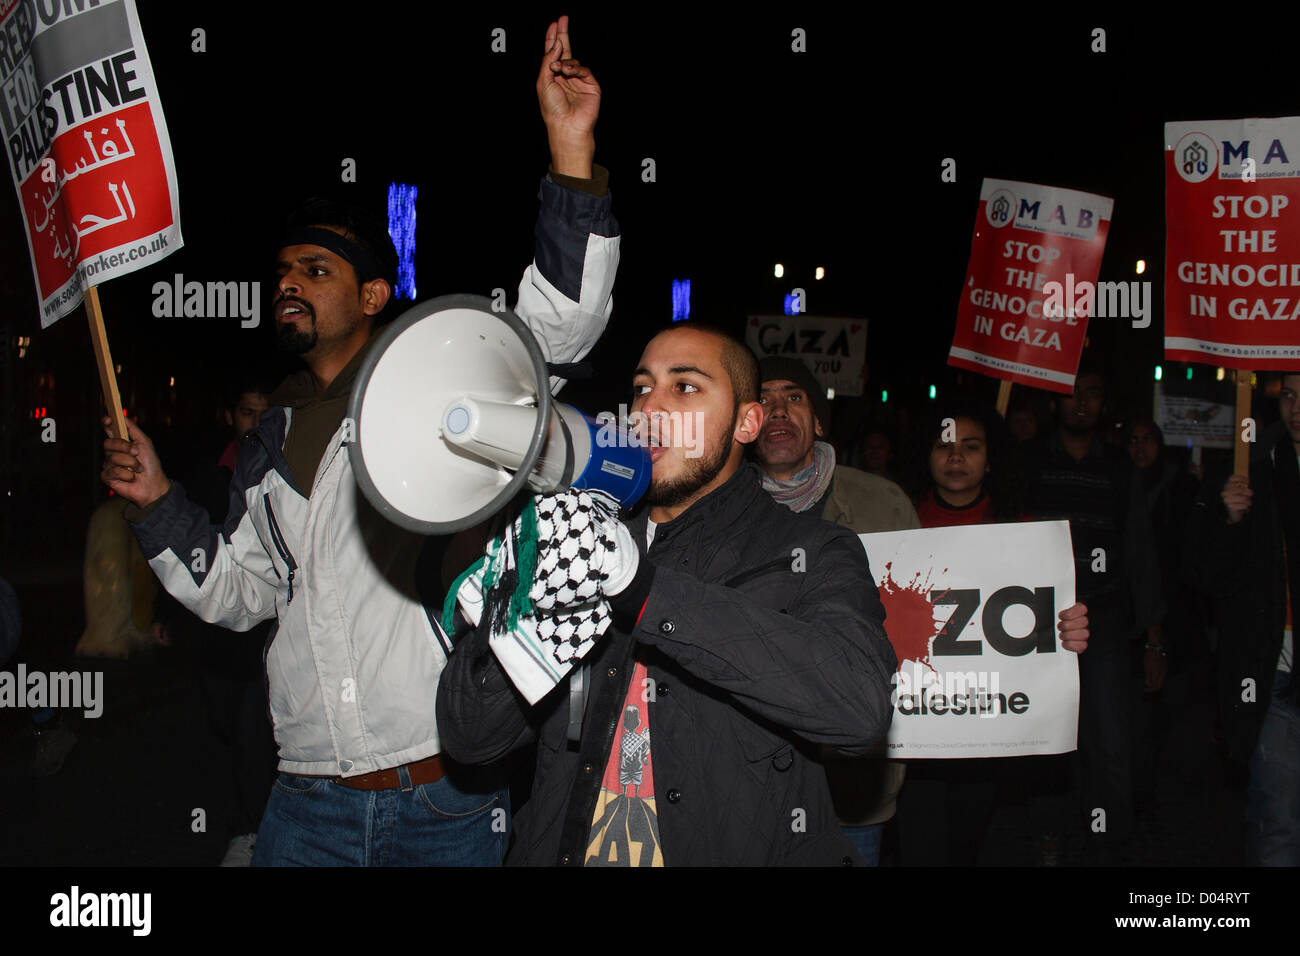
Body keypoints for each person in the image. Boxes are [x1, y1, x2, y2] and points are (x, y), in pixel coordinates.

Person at [100, 16, 619, 867]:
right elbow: (242, 595)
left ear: (374, 292)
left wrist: (569, 150)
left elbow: (556, 328)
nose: (287, 285)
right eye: (279, 273)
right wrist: (159, 502)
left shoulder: (441, 382)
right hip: (305, 802)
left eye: (315, 270)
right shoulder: (267, 440)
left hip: (445, 799)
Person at [436, 324, 900, 865]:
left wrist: (648, 591)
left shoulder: (812, 550)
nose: (649, 407)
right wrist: (526, 597)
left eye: (684, 387)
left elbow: (859, 708)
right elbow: (470, 737)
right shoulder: (581, 537)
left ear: (746, 422)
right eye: (640, 387)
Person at [752, 356, 917, 864]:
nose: (778, 409)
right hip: (750, 782)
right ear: (745, 423)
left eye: (794, 397)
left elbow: (943, 614)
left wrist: (1047, 633)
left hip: (851, 784)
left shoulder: (883, 503)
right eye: (764, 399)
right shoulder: (715, 508)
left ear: (818, 421)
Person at [1020, 363, 1163, 863]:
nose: (1081, 402)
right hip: (1039, 628)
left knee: (1110, 744)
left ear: (1105, 404)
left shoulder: (1121, 470)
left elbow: (1142, 556)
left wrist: (1153, 640)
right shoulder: (1032, 462)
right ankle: (1048, 838)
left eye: (1093, 393)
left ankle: (1111, 844)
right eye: (1071, 392)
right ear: (1055, 401)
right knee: (1047, 739)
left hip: (1103, 627)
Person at [1187, 371, 1300, 866]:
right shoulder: (1250, 469)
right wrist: (1227, 521)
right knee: (1279, 817)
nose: (1297, 407)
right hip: (1274, 672)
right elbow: (1205, 579)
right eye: (1291, 395)